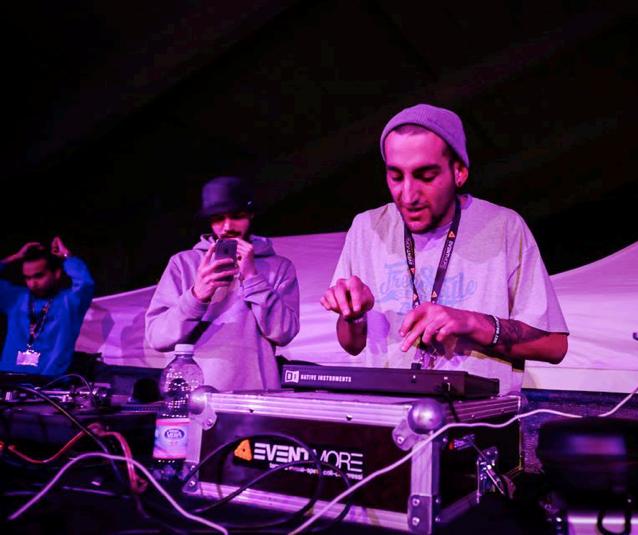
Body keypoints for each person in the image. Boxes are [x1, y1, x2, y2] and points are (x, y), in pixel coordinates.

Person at [321, 103, 569, 393]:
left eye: (426, 176)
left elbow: (554, 346)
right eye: (396, 176)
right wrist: (352, 315)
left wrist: (470, 322)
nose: (408, 195)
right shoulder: (366, 228)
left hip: (481, 416)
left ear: (459, 171)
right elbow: (352, 345)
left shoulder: (504, 226)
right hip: (389, 411)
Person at [145, 176, 300, 391]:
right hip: (192, 394)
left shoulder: (279, 267)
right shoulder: (183, 263)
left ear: (251, 214)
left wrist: (253, 278)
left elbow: (284, 333)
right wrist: (197, 296)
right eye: (218, 218)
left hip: (257, 396)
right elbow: (157, 338)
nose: (227, 226)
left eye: (236, 216)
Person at [0, 237, 95, 376]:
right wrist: (15, 257)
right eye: (27, 278)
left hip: (49, 384)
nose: (32, 283)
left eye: (38, 276)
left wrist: (67, 256)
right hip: (8, 381)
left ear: (56, 274)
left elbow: (85, 283)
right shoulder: (15, 298)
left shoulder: (69, 302)